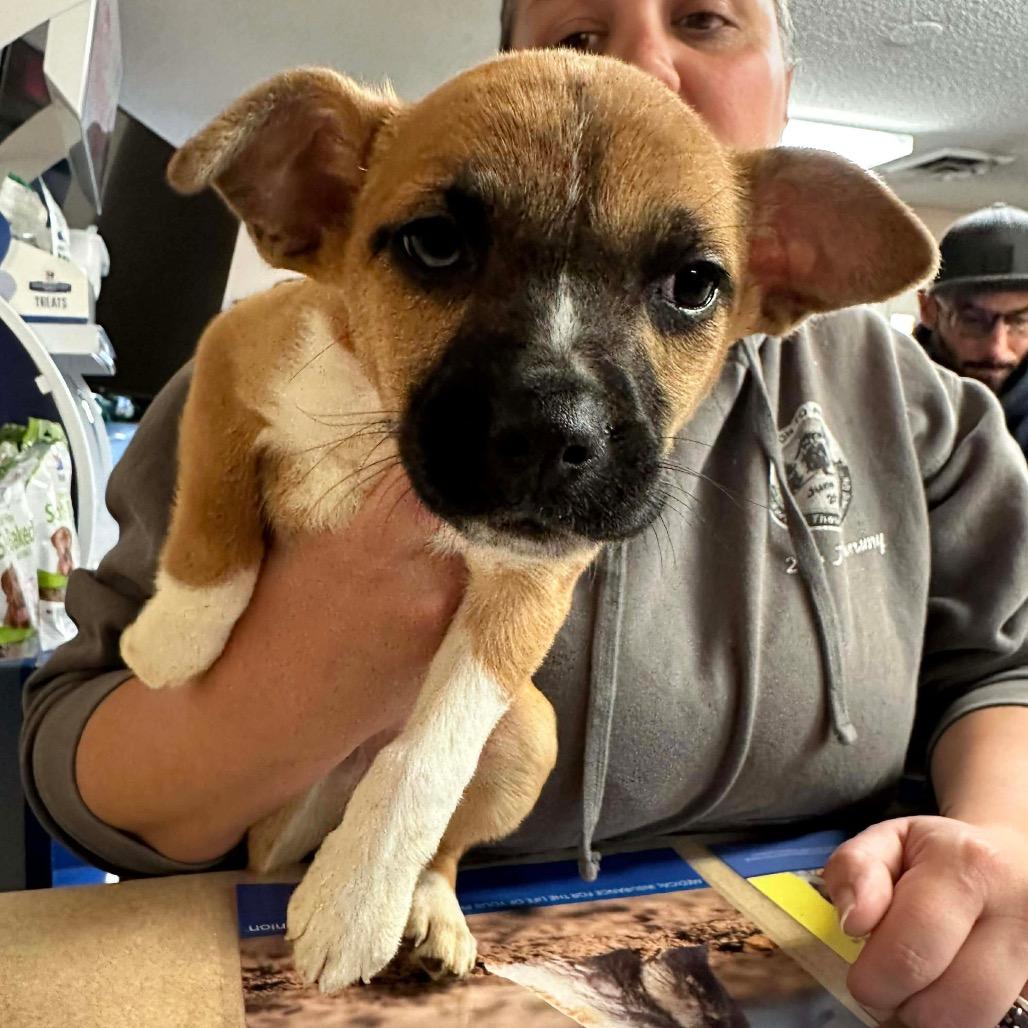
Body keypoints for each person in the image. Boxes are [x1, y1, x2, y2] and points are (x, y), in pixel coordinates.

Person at [20, 2, 1028, 1025]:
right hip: (333, 943)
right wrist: (298, 682)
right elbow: (70, 767)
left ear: (782, 248)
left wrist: (1004, 831)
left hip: (821, 943)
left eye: (704, 20)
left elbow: (1001, 662)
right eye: (439, 245)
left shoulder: (918, 409)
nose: (645, 65)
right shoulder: (265, 380)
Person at [915, 202, 1028, 456]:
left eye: (1020, 322)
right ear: (929, 310)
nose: (997, 349)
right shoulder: (885, 399)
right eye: (973, 320)